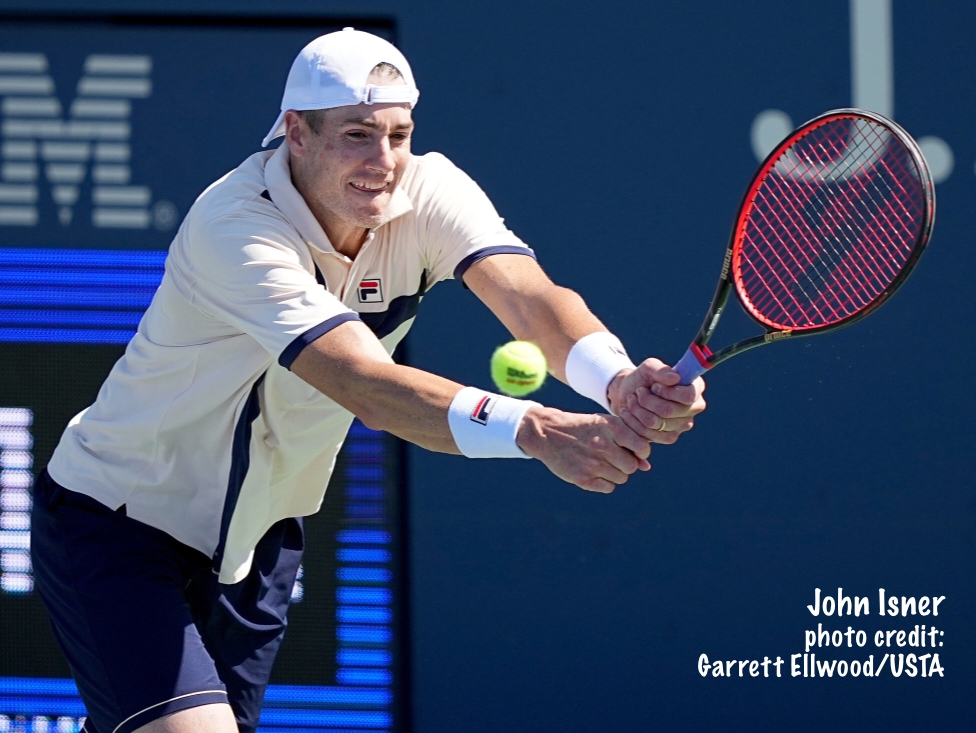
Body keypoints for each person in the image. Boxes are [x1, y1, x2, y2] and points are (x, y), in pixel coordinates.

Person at [30, 28, 705, 733]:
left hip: (257, 543)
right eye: (356, 135)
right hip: (120, 520)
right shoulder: (234, 226)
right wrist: (533, 429)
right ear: (297, 132)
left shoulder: (428, 187)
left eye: (397, 134)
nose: (382, 161)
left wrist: (618, 379)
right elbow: (363, 381)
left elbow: (529, 298)